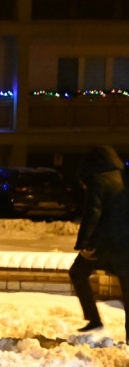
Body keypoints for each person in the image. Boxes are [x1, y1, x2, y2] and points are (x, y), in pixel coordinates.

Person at [68, 144, 129, 339]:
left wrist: (84, 243)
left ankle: (94, 319)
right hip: (126, 246)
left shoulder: (98, 180)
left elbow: (92, 213)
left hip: (102, 245)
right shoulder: (125, 179)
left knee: (77, 272)